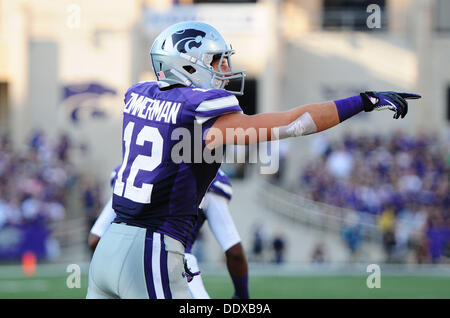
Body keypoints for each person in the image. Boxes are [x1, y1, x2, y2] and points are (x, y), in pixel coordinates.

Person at [86, 21, 420, 299]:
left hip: (109, 249)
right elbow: (293, 123)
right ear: (187, 66)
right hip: (151, 249)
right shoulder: (201, 110)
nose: (226, 69)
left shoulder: (138, 94)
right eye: (217, 61)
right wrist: (364, 101)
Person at [88, 168, 249, 299]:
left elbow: (95, 239)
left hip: (112, 262)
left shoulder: (133, 170)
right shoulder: (207, 176)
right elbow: (234, 251)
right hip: (168, 260)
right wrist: (242, 295)